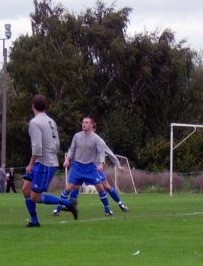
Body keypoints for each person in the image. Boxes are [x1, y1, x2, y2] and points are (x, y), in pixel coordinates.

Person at [22, 95, 77, 227]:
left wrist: (30, 165)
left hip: (44, 164)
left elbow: (37, 148)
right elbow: (57, 144)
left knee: (35, 197)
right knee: (25, 190)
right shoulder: (51, 121)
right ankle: (34, 221)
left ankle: (68, 204)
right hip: (42, 161)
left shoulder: (35, 122)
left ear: (32, 106)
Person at [53, 130, 129, 216]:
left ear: (93, 129)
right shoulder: (81, 139)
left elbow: (109, 152)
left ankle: (120, 204)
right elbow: (74, 149)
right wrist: (69, 160)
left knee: (105, 186)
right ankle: (69, 206)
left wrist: (117, 165)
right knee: (75, 186)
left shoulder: (98, 140)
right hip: (81, 168)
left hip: (95, 168)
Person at [55, 117, 111, 216]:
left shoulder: (96, 139)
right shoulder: (77, 136)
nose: (83, 124)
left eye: (86, 122)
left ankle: (107, 210)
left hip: (90, 167)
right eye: (83, 122)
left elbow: (101, 152)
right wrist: (67, 159)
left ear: (91, 125)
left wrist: (101, 164)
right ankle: (57, 209)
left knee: (100, 187)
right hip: (77, 166)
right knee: (68, 188)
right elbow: (72, 149)